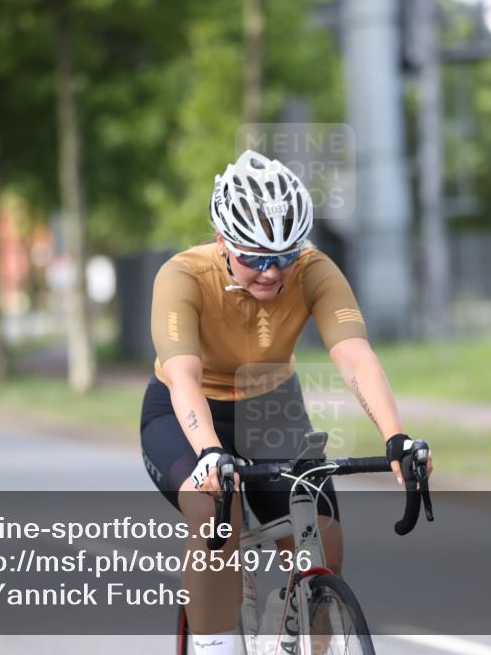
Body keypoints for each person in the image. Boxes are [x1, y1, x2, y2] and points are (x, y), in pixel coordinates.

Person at [140, 149, 432, 655]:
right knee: (216, 511)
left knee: (321, 541)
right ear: (222, 241)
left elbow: (355, 356)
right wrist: (210, 451)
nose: (271, 273)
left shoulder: (314, 270)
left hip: (271, 407)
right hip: (186, 412)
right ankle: (214, 646)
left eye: (285, 256)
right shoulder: (182, 277)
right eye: (254, 257)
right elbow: (182, 376)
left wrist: (396, 436)